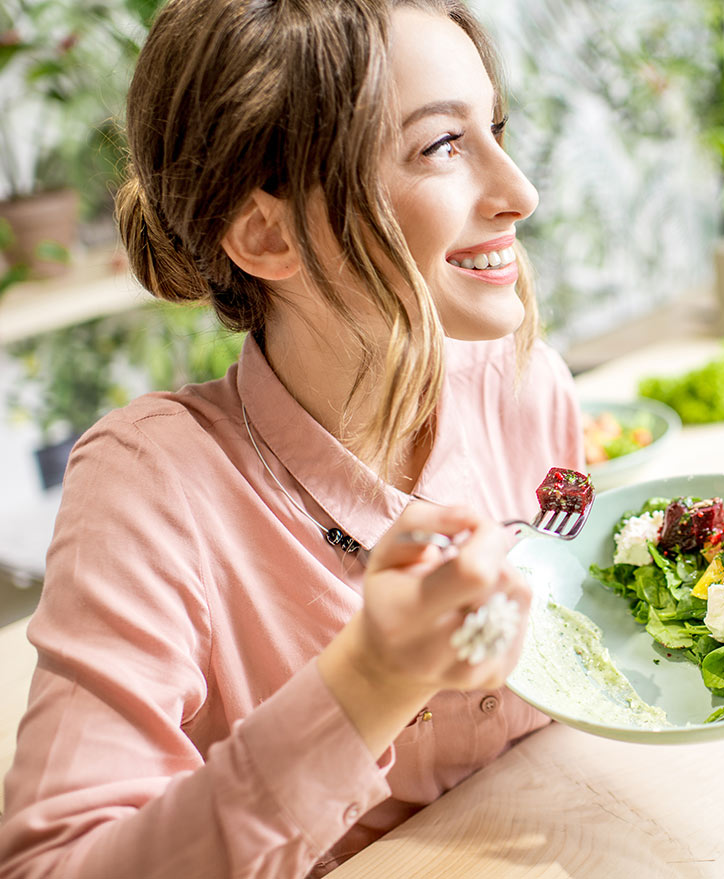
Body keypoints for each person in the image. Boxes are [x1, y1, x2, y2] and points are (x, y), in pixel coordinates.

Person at [0, 1, 584, 876]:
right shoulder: (151, 486)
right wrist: (370, 681)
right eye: (441, 146)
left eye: (492, 128)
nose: (520, 192)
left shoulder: (527, 386)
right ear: (267, 232)